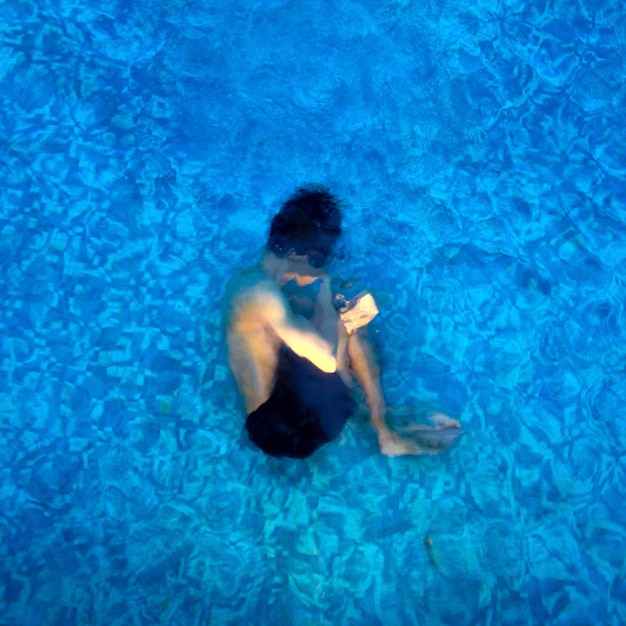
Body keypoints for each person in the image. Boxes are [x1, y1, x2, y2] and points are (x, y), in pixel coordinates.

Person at [222, 185, 461, 458]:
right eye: (323, 258)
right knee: (355, 315)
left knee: (340, 311)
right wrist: (327, 297)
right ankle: (383, 427)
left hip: (276, 413)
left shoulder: (249, 281)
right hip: (281, 432)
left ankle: (375, 417)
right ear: (297, 255)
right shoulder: (265, 297)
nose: (326, 267)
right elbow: (327, 359)